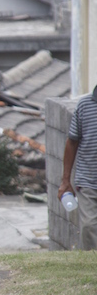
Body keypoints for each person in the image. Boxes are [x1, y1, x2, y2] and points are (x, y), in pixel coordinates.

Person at [59, 85, 97, 250]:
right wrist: (65, 180)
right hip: (88, 179)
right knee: (89, 226)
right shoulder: (85, 105)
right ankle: (90, 263)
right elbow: (72, 142)